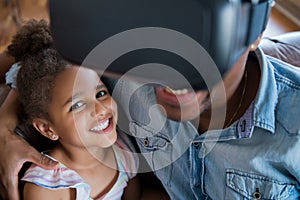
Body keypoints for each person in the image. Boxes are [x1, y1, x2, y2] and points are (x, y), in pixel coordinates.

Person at [1, 0, 300, 199]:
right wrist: (5, 127)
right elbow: (39, 56)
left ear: (254, 31)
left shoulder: (293, 134)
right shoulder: (124, 73)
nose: (171, 74)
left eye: (199, 41)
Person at [1, 19, 141, 200]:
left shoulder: (123, 153)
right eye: (77, 105)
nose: (100, 109)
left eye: (100, 94)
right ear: (47, 129)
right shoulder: (46, 187)